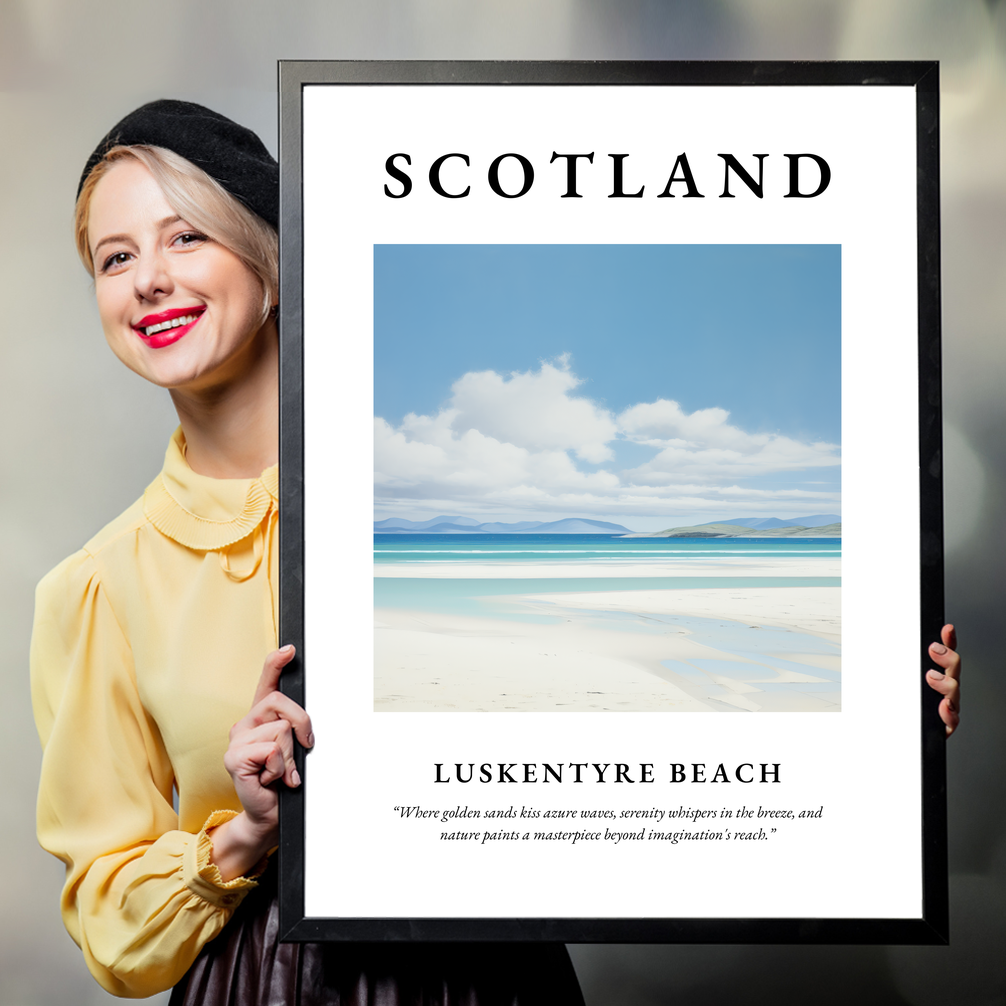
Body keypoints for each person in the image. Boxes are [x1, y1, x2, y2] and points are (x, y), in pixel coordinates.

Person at [30, 100, 585, 1004]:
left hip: (492, 973)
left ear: (274, 264)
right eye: (116, 257)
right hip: (262, 982)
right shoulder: (97, 587)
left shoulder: (442, 502)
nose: (148, 281)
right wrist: (245, 832)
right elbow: (110, 923)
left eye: (186, 239)